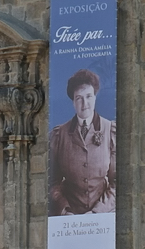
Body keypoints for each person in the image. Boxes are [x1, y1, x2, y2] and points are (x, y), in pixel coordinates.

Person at [49, 69, 116, 215]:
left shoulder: (110, 130)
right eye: (79, 98)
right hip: (70, 219)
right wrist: (65, 210)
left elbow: (116, 182)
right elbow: (53, 183)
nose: (84, 103)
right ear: (73, 102)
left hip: (104, 217)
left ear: (95, 97)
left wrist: (97, 212)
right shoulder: (59, 135)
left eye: (89, 96)